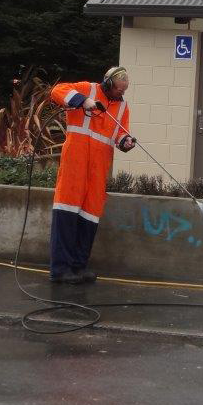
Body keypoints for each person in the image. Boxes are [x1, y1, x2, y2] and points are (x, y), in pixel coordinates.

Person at [48, 66, 136, 283]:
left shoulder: (123, 107)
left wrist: (125, 142)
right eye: (117, 90)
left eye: (123, 91)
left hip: (98, 168)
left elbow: (120, 134)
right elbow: (56, 91)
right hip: (75, 162)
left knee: (90, 215)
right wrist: (81, 100)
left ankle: (78, 266)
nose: (120, 94)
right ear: (107, 84)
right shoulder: (87, 89)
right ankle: (60, 269)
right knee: (67, 210)